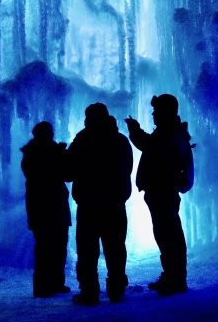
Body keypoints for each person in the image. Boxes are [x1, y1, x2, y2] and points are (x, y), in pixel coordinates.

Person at [124, 93, 195, 296]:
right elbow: (151, 146)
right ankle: (172, 275)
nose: (153, 114)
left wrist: (135, 130)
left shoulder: (169, 134)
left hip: (163, 191)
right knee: (166, 234)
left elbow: (150, 147)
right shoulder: (170, 132)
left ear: (166, 111)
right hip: (162, 191)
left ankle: (175, 279)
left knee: (168, 235)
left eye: (156, 111)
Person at [66, 103, 133, 305]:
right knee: (115, 248)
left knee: (87, 250)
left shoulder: (82, 141)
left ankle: (89, 291)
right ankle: (116, 288)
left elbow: (67, 172)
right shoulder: (120, 140)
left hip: (89, 204)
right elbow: (127, 169)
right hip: (114, 203)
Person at [20, 121, 72, 297]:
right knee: (47, 247)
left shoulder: (32, 154)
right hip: (46, 206)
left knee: (54, 246)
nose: (51, 135)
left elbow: (66, 174)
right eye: (49, 133)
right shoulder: (35, 155)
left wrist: (61, 155)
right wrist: (60, 155)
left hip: (45, 207)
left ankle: (53, 283)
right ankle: (45, 286)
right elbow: (60, 174)